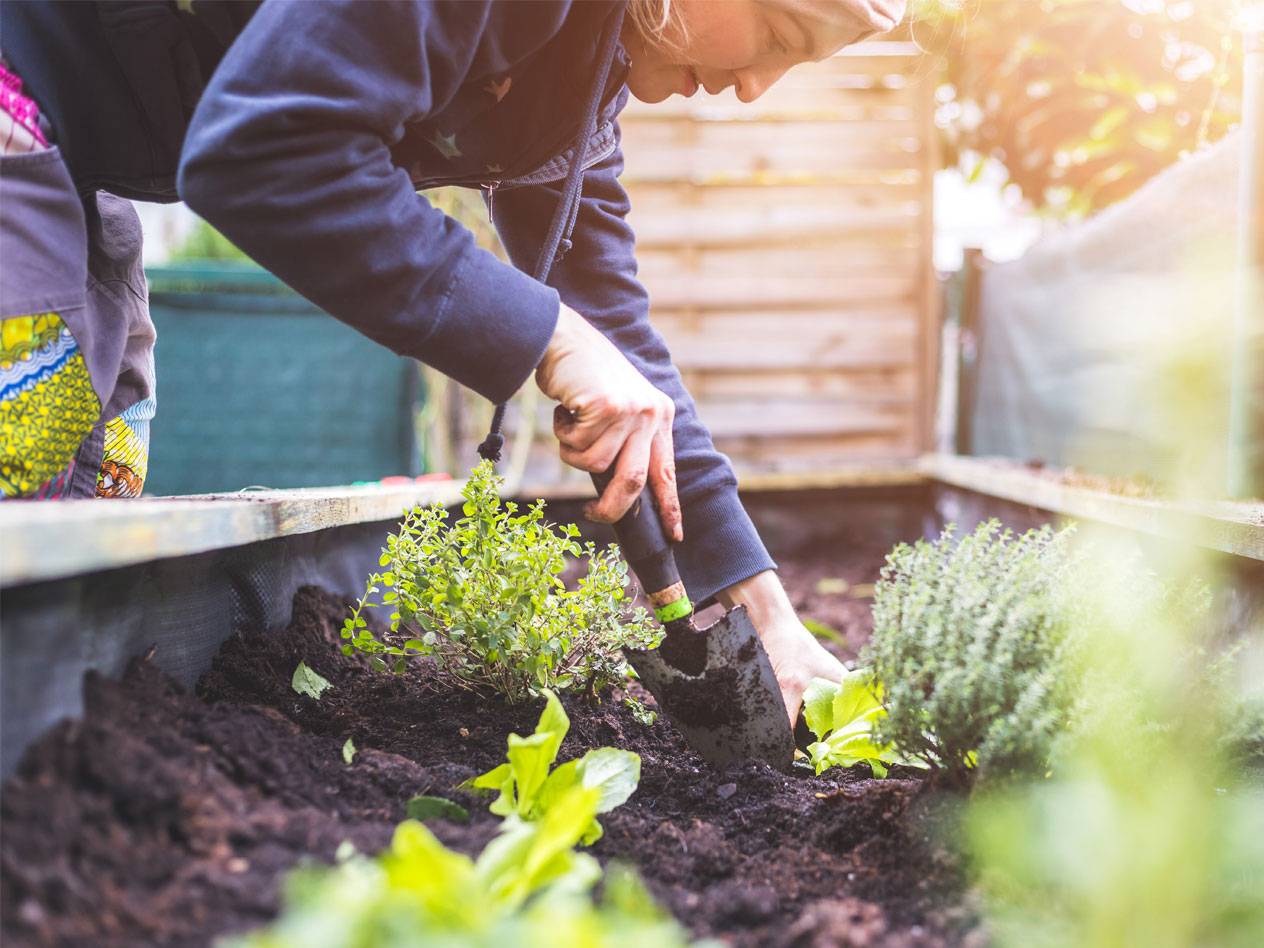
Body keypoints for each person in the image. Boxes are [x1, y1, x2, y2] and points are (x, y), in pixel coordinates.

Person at [0, 0, 905, 723]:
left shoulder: (580, 72)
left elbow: (619, 341)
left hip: (85, 150)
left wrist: (764, 611)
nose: (758, 87)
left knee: (83, 532)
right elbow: (265, 153)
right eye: (778, 33)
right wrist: (549, 338)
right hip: (20, 83)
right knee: (22, 490)